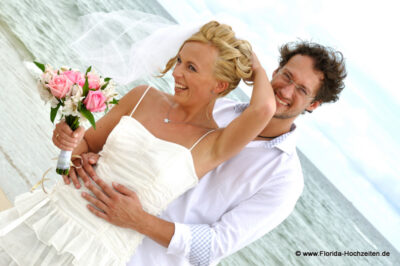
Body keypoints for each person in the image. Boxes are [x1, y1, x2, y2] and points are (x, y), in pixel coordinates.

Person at [0, 21, 276, 266]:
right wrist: (71, 143)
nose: (177, 72)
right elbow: (87, 146)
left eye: (191, 67)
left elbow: (263, 109)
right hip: (53, 215)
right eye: (179, 60)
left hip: (96, 253)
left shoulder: (213, 143)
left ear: (219, 85)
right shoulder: (142, 96)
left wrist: (256, 67)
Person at [58, 40, 346, 266]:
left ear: (314, 105)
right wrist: (88, 155)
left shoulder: (284, 180)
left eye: (302, 89)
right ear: (274, 71)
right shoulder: (212, 108)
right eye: (286, 76)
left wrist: (138, 220)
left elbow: (214, 246)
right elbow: (131, 142)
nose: (286, 90)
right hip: (87, 235)